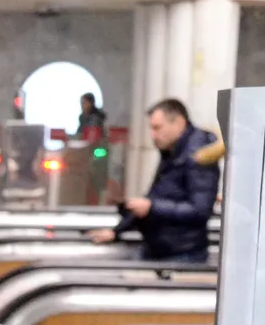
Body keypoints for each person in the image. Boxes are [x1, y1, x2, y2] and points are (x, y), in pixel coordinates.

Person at [90, 98, 221, 264]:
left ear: (179, 122)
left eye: (157, 128)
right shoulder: (173, 151)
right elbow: (157, 195)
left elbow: (200, 210)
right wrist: (117, 230)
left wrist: (152, 207)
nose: (153, 135)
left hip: (183, 254)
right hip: (162, 249)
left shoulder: (199, 156)